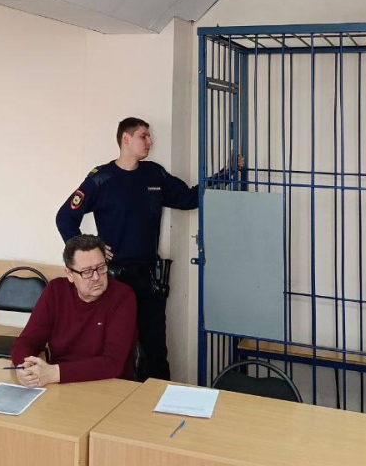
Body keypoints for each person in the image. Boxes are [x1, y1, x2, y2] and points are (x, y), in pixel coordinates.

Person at [56, 117, 240, 380]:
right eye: (144, 136)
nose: (150, 142)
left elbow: (189, 198)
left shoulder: (154, 174)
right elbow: (65, 217)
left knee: (155, 352)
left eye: (149, 136)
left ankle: (159, 401)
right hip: (113, 280)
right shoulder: (101, 179)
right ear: (126, 139)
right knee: (115, 350)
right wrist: (91, 250)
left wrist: (225, 175)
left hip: (148, 280)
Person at [10, 234, 136, 386]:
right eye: (87, 272)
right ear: (70, 274)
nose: (96, 277)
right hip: (62, 384)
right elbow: (27, 341)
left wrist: (54, 373)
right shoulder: (56, 290)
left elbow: (113, 363)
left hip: (110, 385)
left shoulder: (122, 296)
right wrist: (25, 367)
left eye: (101, 268)